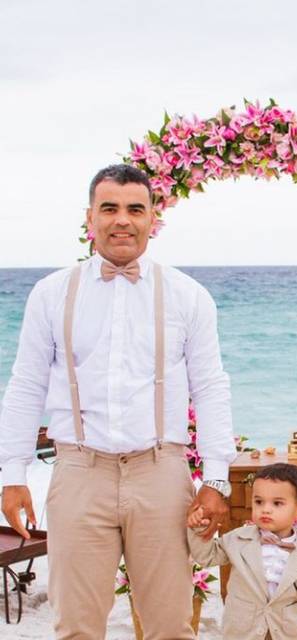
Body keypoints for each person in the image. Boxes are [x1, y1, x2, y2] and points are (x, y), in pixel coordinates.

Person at [0, 164, 237, 639]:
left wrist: (216, 479)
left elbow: (210, 386)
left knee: (170, 625)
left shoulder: (189, 296)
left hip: (161, 473)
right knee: (76, 627)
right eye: (109, 208)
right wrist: (12, 474)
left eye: (135, 209)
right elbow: (25, 385)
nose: (122, 220)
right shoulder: (50, 294)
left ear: (153, 219)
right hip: (78, 472)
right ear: (90, 217)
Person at [187, 463, 297, 640]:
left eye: (277, 503)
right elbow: (207, 556)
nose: (266, 509)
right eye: (259, 501)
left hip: (282, 632)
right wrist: (199, 528)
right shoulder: (237, 539)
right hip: (242, 631)